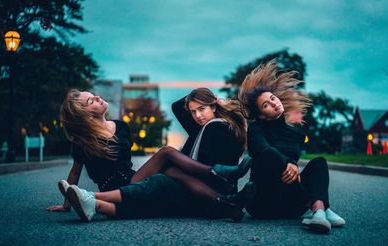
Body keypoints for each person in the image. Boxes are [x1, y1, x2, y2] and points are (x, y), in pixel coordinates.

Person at [52, 88, 254, 221]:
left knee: (172, 171)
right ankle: (217, 175)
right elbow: (74, 173)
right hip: (114, 188)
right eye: (90, 101)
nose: (97, 97)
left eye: (93, 94)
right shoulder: (84, 141)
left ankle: (225, 201)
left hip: (133, 179)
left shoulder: (121, 127)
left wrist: (214, 101)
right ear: (87, 114)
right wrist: (66, 203)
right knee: (167, 154)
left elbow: (125, 164)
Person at [238, 60, 345, 233]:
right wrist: (290, 162)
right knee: (271, 154)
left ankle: (319, 211)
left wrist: (292, 165)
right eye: (266, 105)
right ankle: (320, 209)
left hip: (292, 206)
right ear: (261, 116)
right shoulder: (257, 128)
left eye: (272, 98)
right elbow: (264, 152)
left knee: (319, 162)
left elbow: (293, 169)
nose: (273, 103)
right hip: (262, 204)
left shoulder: (296, 131)